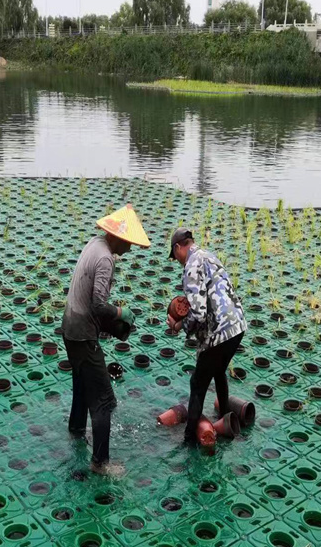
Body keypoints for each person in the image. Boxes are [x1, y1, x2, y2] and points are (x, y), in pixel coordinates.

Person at [62, 204, 150, 477]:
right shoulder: (105, 259)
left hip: (69, 327)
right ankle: (100, 463)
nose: (130, 248)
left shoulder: (95, 244)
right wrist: (121, 312)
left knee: (81, 382)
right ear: (118, 237)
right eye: (129, 242)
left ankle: (76, 429)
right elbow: (99, 305)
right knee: (103, 401)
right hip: (83, 333)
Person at [167, 228, 247, 444]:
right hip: (237, 325)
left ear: (178, 248)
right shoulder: (209, 255)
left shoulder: (191, 266)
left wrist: (179, 324)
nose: (177, 262)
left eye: (175, 258)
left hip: (219, 331)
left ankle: (189, 441)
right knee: (219, 370)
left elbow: (199, 314)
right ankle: (225, 419)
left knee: (197, 383)